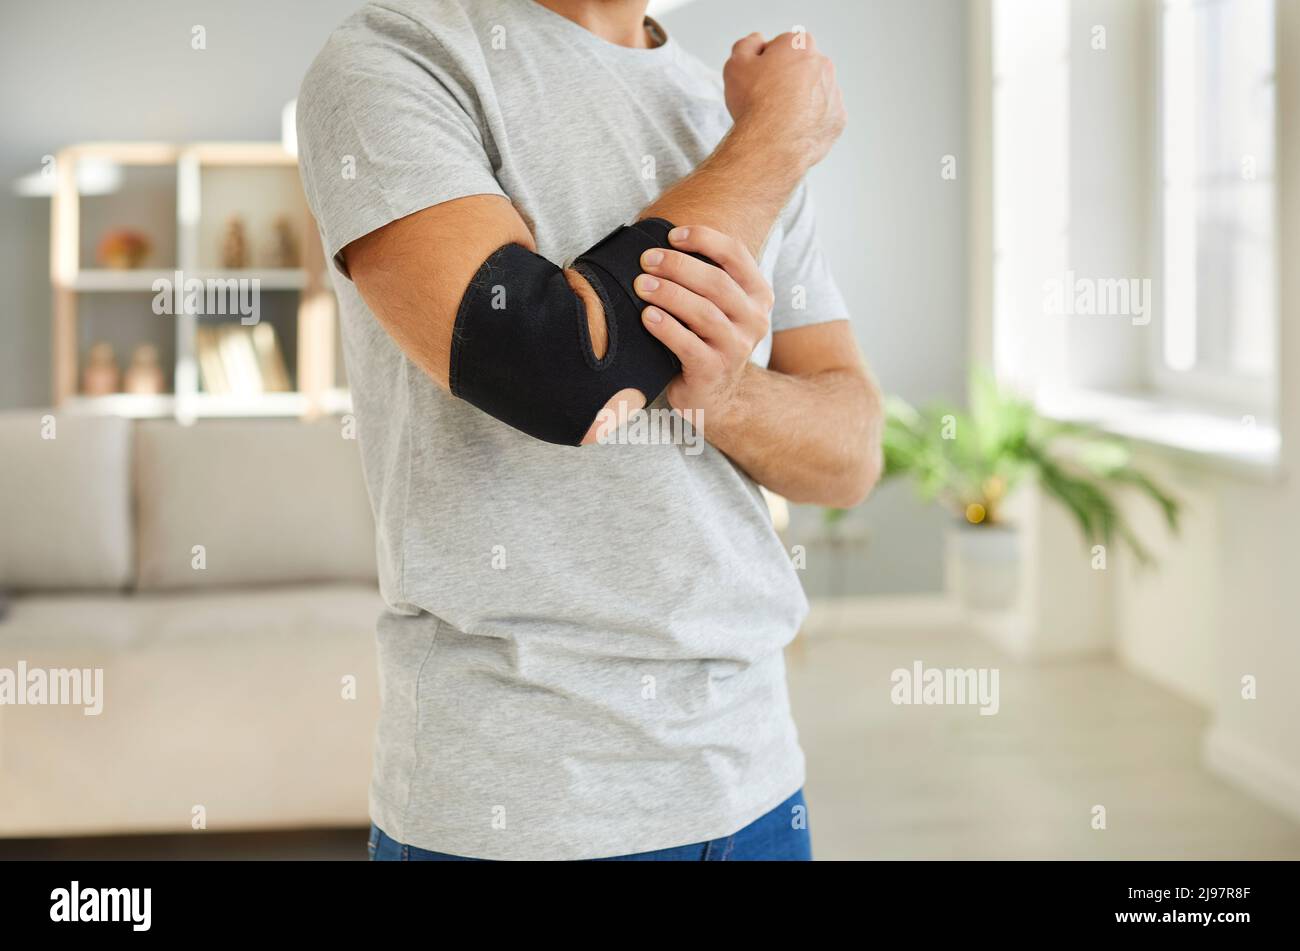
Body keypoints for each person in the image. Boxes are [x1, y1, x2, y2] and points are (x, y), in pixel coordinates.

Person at [296, 0, 883, 861]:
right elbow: (553, 366)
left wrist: (726, 394)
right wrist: (779, 142)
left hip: (754, 779)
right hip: (525, 806)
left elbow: (851, 455)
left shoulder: (730, 123)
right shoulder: (398, 55)